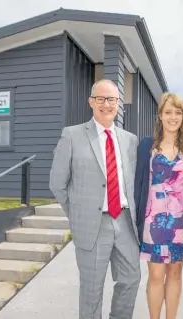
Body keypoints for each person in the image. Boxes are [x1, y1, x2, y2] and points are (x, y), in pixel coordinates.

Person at [49, 79, 141, 319]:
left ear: (118, 103)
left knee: (131, 278)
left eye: (111, 99)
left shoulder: (130, 140)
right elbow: (57, 183)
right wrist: (80, 213)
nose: (106, 104)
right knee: (92, 289)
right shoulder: (72, 135)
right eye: (100, 98)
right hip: (93, 224)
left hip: (125, 221)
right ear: (91, 101)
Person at [134, 92, 183, 319]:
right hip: (154, 220)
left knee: (175, 272)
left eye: (178, 112)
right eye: (168, 112)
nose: (173, 117)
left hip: (181, 220)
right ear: (160, 115)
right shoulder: (146, 145)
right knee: (154, 274)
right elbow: (138, 184)